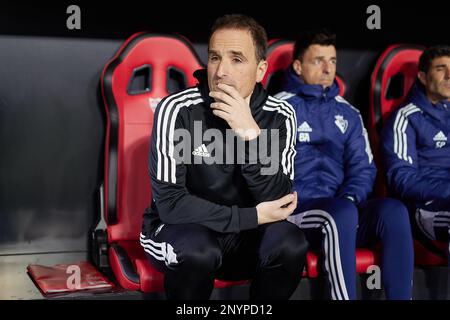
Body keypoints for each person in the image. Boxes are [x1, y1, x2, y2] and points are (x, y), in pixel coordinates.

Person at [140, 14, 308, 300]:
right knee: (199, 251)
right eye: (215, 57)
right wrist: (252, 216)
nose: (220, 71)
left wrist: (251, 135)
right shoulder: (177, 110)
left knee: (290, 244)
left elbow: (278, 200)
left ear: (260, 70)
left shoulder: (280, 115)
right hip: (185, 234)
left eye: (237, 59)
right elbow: (170, 204)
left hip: (245, 237)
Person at [275, 29, 413, 300]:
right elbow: (268, 171)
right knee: (340, 212)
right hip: (297, 211)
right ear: (298, 66)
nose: (328, 69)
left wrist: (350, 197)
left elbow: (363, 169)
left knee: (393, 210)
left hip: (342, 207)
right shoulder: (277, 109)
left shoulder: (348, 113)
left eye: (333, 61)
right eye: (318, 61)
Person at [381, 45, 450, 266]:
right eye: (441, 69)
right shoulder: (406, 117)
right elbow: (401, 178)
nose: (449, 75)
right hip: (425, 207)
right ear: (422, 76)